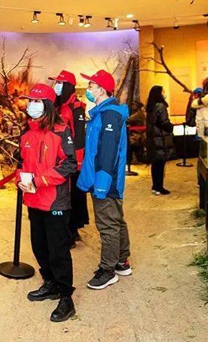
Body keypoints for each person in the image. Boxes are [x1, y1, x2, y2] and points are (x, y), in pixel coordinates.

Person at [16, 83, 78, 323]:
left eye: (37, 101)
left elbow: (69, 164)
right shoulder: (26, 133)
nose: (31, 105)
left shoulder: (61, 131)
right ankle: (50, 283)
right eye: (30, 100)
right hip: (33, 200)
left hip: (55, 202)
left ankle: (66, 297)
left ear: (48, 105)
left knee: (58, 250)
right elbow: (21, 162)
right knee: (39, 246)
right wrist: (20, 179)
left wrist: (41, 179)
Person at [76, 70, 131, 290]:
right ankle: (121, 261)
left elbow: (108, 152)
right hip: (102, 178)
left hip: (105, 180)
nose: (88, 89)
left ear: (101, 90)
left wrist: (101, 183)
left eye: (91, 85)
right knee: (116, 219)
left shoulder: (110, 115)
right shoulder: (102, 113)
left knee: (107, 224)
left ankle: (108, 270)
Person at [51, 70, 88, 244]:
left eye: (60, 83)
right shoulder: (58, 106)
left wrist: (76, 163)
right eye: (56, 83)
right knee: (62, 195)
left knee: (73, 197)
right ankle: (66, 229)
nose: (56, 86)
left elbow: (79, 137)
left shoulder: (76, 107)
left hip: (71, 161)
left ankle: (72, 231)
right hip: (59, 159)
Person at [145, 86, 174, 195]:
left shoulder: (150, 107)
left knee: (155, 163)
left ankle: (155, 186)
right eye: (163, 92)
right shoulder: (160, 106)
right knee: (160, 164)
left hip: (152, 138)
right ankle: (159, 187)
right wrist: (170, 127)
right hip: (160, 138)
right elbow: (164, 122)